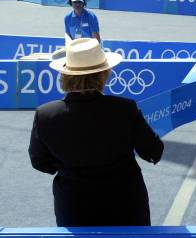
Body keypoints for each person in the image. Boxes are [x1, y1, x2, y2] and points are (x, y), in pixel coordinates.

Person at [28, 38, 164, 227]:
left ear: (65, 75)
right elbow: (153, 151)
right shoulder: (125, 109)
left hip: (74, 206)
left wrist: (68, 168)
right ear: (103, 74)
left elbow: (39, 161)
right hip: (125, 205)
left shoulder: (45, 115)